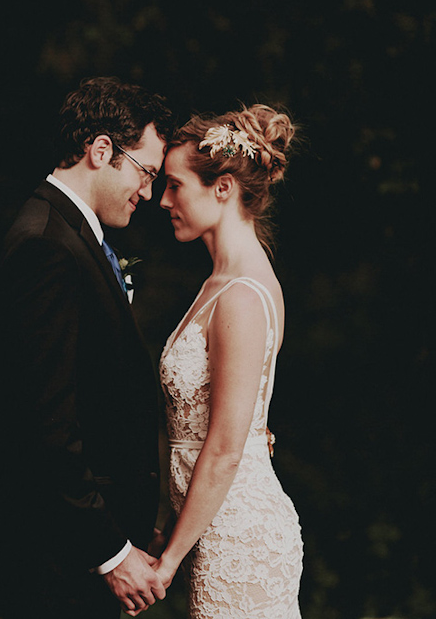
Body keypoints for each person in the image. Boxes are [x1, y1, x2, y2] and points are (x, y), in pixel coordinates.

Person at [0, 77, 173, 619]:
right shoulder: (45, 247)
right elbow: (44, 421)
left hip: (63, 554)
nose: (148, 193)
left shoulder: (68, 236)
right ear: (102, 150)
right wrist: (110, 552)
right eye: (146, 172)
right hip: (48, 563)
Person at [149, 104, 304, 619]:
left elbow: (224, 448)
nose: (162, 199)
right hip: (206, 528)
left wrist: (167, 563)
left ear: (222, 188)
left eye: (175, 185)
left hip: (238, 536)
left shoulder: (240, 295)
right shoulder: (219, 283)